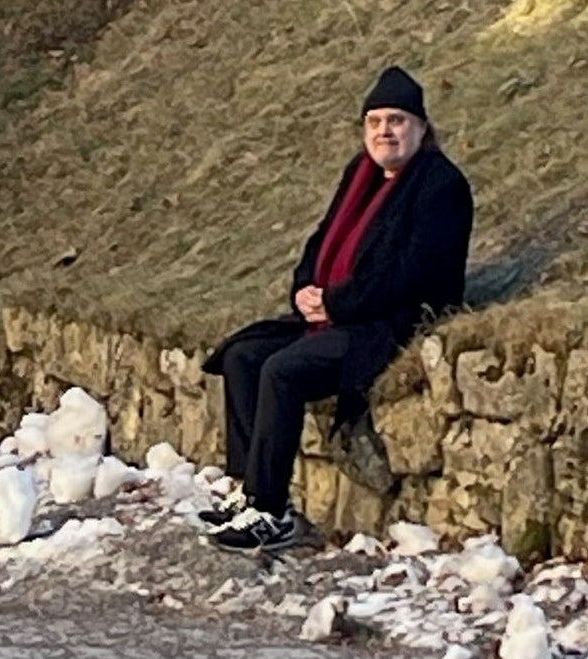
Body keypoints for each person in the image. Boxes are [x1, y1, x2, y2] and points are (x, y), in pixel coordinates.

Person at [198, 66, 474, 552]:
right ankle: (246, 488)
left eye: (397, 121)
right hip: (335, 315)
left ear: (421, 128)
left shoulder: (440, 186)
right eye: (375, 122)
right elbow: (322, 240)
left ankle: (270, 510)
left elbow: (410, 275)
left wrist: (335, 302)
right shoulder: (361, 175)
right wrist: (305, 289)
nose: (385, 131)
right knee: (243, 356)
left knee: (283, 370)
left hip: (387, 324)